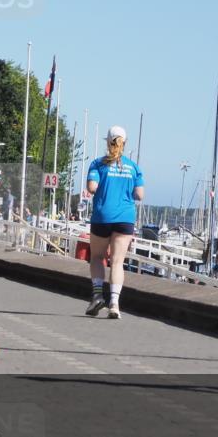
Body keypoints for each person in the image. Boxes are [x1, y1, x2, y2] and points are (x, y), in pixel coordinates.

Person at [85, 125, 144, 320]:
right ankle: (114, 304)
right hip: (125, 218)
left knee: (97, 257)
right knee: (117, 261)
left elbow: (92, 188)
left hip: (103, 216)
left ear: (107, 142)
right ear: (124, 144)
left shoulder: (97, 164)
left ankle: (97, 295)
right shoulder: (134, 167)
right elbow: (139, 194)